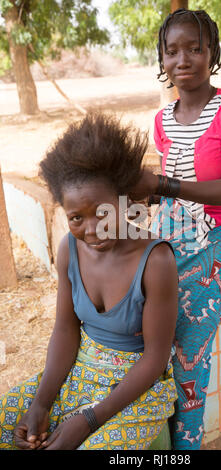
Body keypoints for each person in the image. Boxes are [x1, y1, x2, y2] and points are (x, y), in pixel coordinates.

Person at [0, 112, 178, 450]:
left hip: (136, 385)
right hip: (81, 369)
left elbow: (155, 358)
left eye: (102, 212)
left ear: (124, 199)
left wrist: (89, 421)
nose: (92, 230)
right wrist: (41, 403)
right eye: (76, 218)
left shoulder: (156, 261)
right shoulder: (70, 248)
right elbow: (66, 329)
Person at [128, 8, 221, 450]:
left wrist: (161, 183)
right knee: (154, 354)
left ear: (213, 53)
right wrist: (137, 193)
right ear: (161, 60)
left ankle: (186, 449)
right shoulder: (163, 120)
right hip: (164, 246)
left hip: (210, 249)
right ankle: (156, 445)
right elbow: (172, 190)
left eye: (194, 48)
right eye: (171, 51)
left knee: (190, 364)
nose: (182, 59)